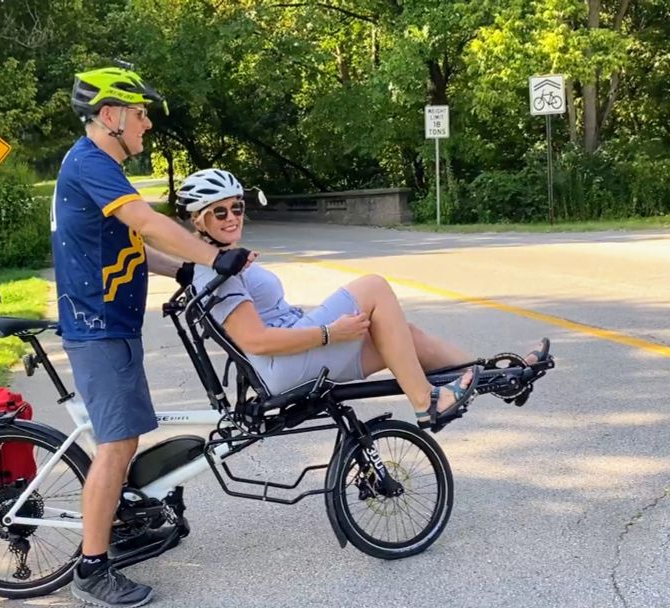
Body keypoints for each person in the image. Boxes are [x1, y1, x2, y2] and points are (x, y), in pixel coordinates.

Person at [53, 69, 254, 608]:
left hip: (109, 324)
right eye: (140, 112)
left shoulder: (98, 166)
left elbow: (130, 246)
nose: (146, 123)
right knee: (116, 445)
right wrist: (213, 256)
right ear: (112, 115)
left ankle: (116, 529)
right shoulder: (92, 162)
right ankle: (92, 571)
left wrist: (182, 271)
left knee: (121, 441)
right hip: (97, 327)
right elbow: (144, 222)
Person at [177, 168, 550, 428]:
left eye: (237, 208)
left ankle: (499, 378)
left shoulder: (217, 262)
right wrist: (330, 333)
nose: (232, 217)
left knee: (403, 335)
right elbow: (255, 340)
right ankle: (426, 403)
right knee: (373, 286)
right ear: (198, 221)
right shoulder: (216, 271)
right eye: (219, 212)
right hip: (282, 366)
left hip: (290, 358)